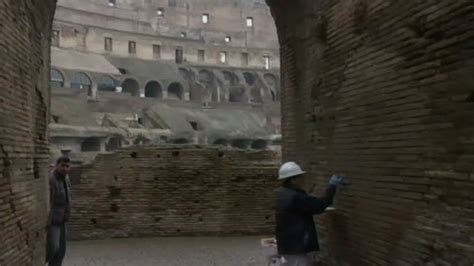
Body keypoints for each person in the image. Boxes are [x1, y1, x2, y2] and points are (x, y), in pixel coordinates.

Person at [275, 161, 343, 266]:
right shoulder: (295, 197)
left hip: (287, 242)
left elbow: (302, 207)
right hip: (297, 244)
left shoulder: (281, 192)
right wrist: (332, 186)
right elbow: (319, 205)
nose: (303, 179)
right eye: (300, 177)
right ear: (293, 180)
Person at [46, 156, 72, 266]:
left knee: (61, 250)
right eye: (62, 165)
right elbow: (49, 201)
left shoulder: (66, 179)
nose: (65, 168)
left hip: (63, 220)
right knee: (53, 247)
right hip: (53, 221)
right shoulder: (52, 179)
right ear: (57, 165)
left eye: (67, 166)